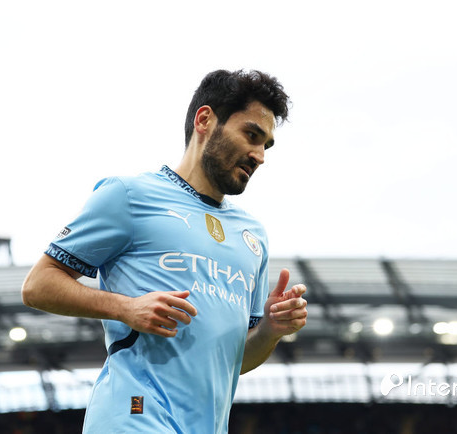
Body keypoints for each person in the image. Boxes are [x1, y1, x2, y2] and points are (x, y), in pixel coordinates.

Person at [21, 69, 308, 434]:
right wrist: (126, 308)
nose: (259, 156)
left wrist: (271, 330)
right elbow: (38, 285)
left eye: (266, 145)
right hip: (133, 417)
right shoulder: (129, 195)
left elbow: (234, 362)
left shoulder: (254, 236)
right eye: (251, 135)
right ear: (204, 120)